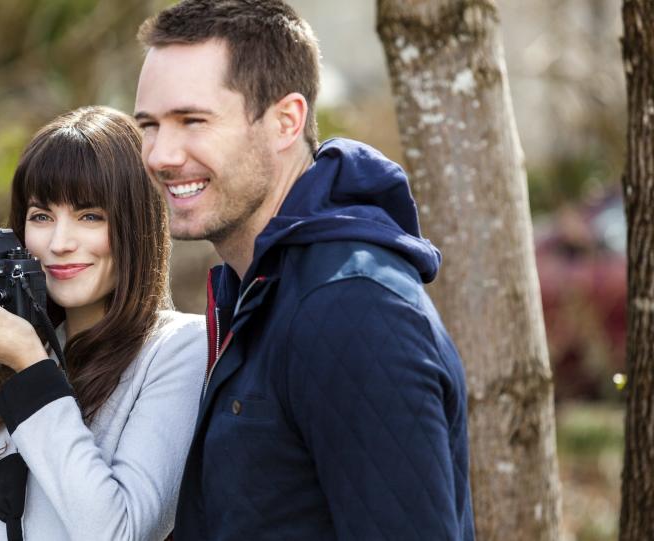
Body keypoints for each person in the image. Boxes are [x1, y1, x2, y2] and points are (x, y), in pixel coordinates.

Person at [133, 1, 475, 539]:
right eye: (149, 125)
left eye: (192, 120)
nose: (160, 155)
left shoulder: (354, 309)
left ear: (285, 121)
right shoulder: (251, 286)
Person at [0, 106, 206, 541]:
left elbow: (119, 531)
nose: (59, 243)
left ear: (136, 224)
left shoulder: (176, 350)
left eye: (90, 216)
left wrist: (31, 371)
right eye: (41, 216)